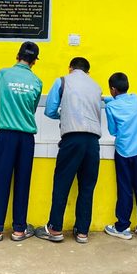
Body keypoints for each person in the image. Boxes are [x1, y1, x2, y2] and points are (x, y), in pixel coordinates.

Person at [0, 41, 43, 242]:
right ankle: (19, 229)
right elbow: (32, 107)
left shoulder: (3, 74)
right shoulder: (37, 82)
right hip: (27, 138)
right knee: (23, 181)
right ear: (34, 62)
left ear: (17, 56)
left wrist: (6, 113)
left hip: (6, 135)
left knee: (2, 180)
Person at [35, 57, 102, 244]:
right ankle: (82, 232)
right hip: (93, 141)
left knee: (62, 183)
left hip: (72, 139)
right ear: (88, 72)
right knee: (87, 187)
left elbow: (49, 110)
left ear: (70, 68)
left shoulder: (62, 81)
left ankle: (55, 229)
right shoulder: (96, 86)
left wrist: (64, 116)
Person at [103, 72, 137, 241]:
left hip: (123, 151)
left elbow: (112, 131)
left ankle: (122, 226)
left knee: (125, 188)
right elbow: (122, 100)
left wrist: (105, 101)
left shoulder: (111, 107)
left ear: (112, 89)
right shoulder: (135, 99)